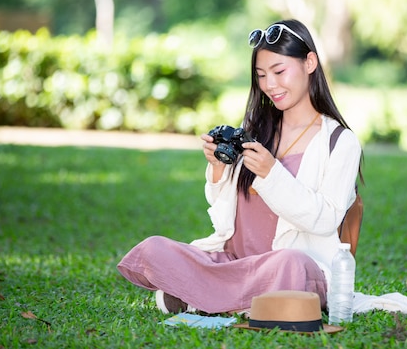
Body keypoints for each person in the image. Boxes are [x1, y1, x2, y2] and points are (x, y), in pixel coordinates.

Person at [117, 19, 363, 314]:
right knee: (154, 248)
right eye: (261, 75)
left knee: (290, 264)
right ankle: (232, 296)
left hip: (290, 269)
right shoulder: (255, 129)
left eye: (279, 71)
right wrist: (218, 170)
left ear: (310, 62)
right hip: (233, 261)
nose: (270, 85)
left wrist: (272, 174)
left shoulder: (340, 141)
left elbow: (324, 220)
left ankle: (201, 295)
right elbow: (224, 212)